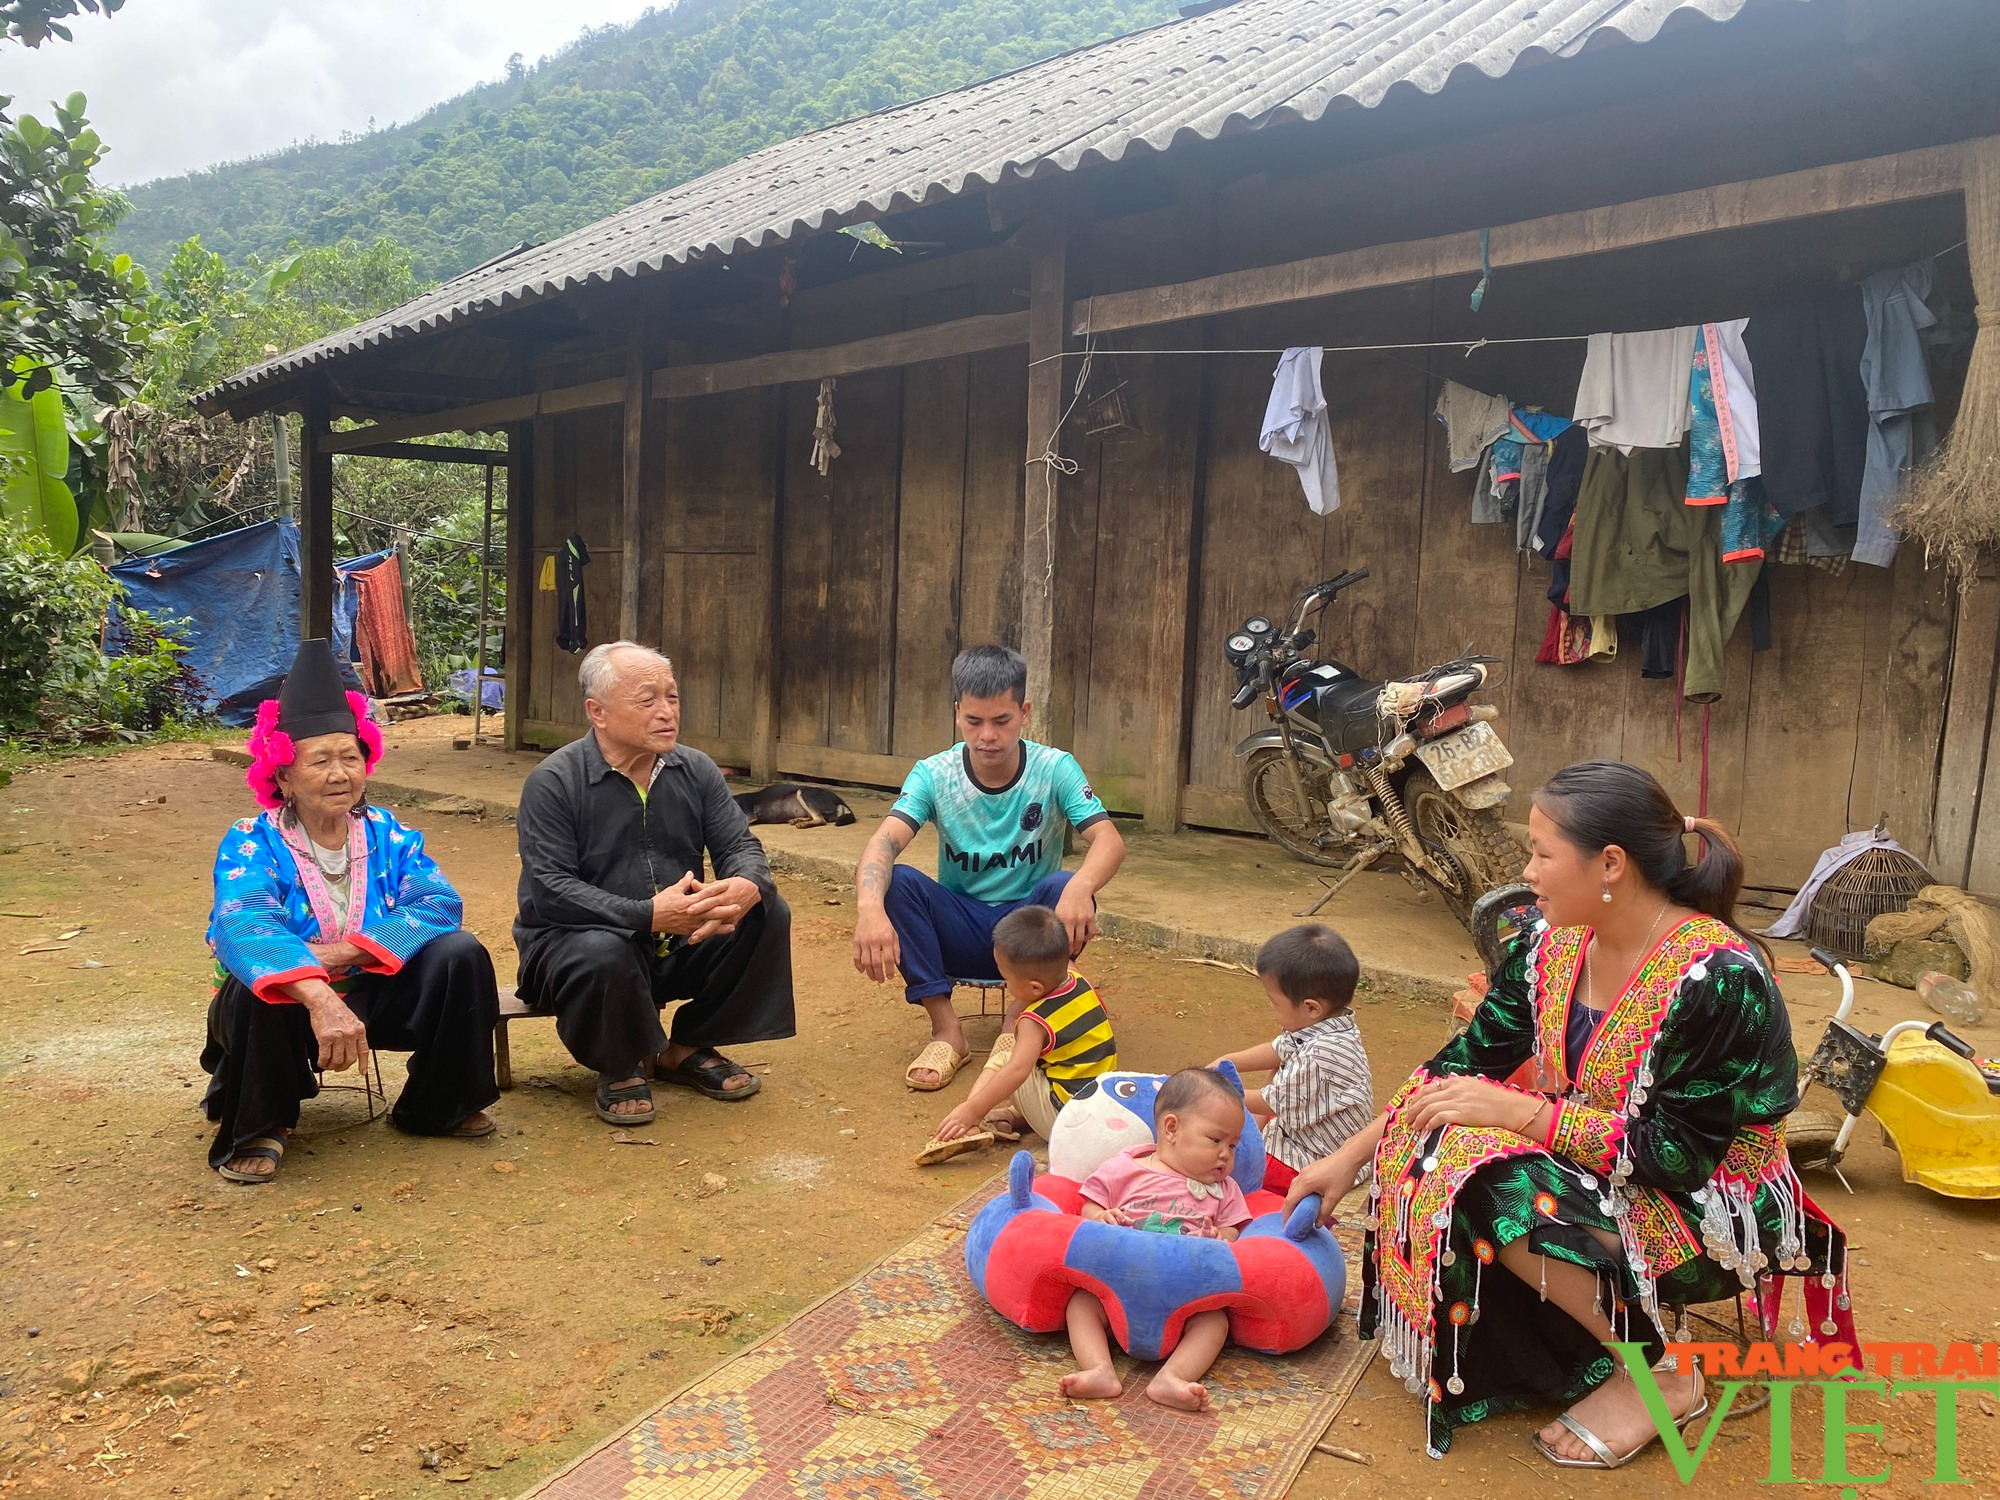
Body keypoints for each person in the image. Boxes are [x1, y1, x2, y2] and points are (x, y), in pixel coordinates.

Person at [1283, 761, 1854, 1466]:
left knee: (1488, 1172)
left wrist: (1521, 1115)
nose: (1528, 871)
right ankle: (1572, 1334)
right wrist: (1349, 1158)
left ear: (1609, 863)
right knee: (1437, 1135)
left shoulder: (1719, 978)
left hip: (1712, 1208)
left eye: (1542, 853)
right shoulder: (1548, 947)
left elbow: (1680, 1157)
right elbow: (1458, 1068)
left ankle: (1663, 1374)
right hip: (1601, 1168)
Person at [202, 639, 500, 1184]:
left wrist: (346, 952)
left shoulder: (388, 832)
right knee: (257, 984)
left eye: (351, 756)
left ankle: (437, 1104)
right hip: (284, 1008)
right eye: (320, 760)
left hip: (369, 988)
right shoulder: (251, 840)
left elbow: (440, 904)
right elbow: (241, 927)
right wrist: (317, 993)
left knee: (462, 953)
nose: (341, 773)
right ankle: (263, 1124)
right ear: (283, 775)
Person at [514, 642, 795, 1125]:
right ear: (596, 712)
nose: (667, 713)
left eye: (673, 697)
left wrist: (749, 884)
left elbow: (740, 847)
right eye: (648, 701)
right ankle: (619, 1063)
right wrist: (645, 914)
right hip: (572, 947)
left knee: (767, 911)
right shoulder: (554, 781)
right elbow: (551, 889)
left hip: (673, 938)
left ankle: (684, 1049)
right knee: (605, 949)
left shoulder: (696, 769)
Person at [852, 645, 1125, 1091]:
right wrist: (868, 909)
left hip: (1028, 933)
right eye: (974, 721)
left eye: (1002, 720)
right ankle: (947, 1031)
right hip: (961, 928)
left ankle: (1016, 1023)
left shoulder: (1055, 768)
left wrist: (1081, 888)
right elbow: (883, 841)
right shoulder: (933, 774)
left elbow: (1109, 841)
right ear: (958, 712)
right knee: (897, 883)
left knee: (1065, 884)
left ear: (1024, 712)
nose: (987, 736)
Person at [1065, 1067, 1255, 1411]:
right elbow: (1089, 1206)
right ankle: (1099, 1369)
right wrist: (1100, 1217)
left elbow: (1234, 1231)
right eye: (1216, 1140)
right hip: (1119, 1287)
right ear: (1172, 1128)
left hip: (1185, 1295)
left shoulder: (1225, 1189)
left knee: (1215, 1321)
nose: (1226, 1154)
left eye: (1233, 1145)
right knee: (1081, 1303)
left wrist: (1219, 1236)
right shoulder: (1125, 1168)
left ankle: (1173, 1377)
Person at [918, 905, 1117, 1162]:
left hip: (1066, 1124)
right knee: (1049, 1064)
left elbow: (1016, 1072)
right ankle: (1014, 1117)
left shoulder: (1035, 1020)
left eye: (1006, 978)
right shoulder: (1080, 983)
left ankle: (970, 1124)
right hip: (1101, 1109)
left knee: (1006, 1060)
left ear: (1035, 988)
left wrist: (971, 1109)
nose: (1005, 984)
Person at [1210, 923, 1373, 1193]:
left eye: (1275, 1002)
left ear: (1311, 1007)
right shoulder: (1330, 1023)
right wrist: (1228, 1061)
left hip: (1313, 1159)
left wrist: (1217, 1090)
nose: (1271, 1008)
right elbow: (1278, 1048)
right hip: (1306, 1131)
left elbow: (1268, 1102)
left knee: (1224, 1162)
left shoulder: (1322, 1055)